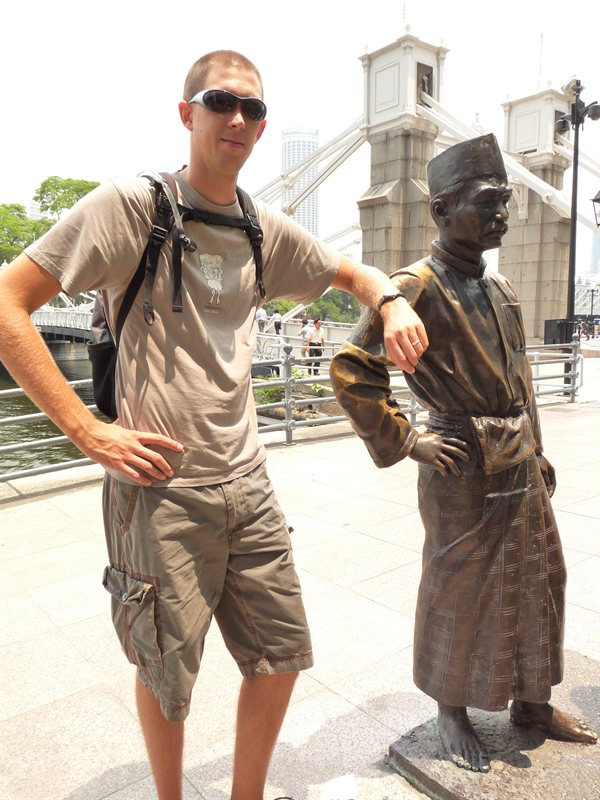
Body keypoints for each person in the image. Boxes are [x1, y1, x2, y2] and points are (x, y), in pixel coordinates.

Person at [0, 50, 428, 800]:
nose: (238, 118)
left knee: (283, 654)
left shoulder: (262, 228)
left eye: (253, 109)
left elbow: (349, 273)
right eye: (220, 101)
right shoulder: (129, 209)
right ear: (186, 113)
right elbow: (8, 302)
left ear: (262, 130)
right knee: (166, 674)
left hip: (248, 482)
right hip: (160, 492)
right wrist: (87, 433)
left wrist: (390, 300)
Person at [330, 133, 597, 775]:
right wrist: (410, 440)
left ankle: (533, 704)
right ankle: (450, 709)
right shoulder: (414, 286)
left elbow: (521, 379)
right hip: (461, 466)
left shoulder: (500, 287)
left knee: (541, 579)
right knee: (460, 588)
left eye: (507, 201)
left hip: (518, 463)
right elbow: (350, 368)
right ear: (442, 211)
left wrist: (539, 449)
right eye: (488, 202)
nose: (503, 213)